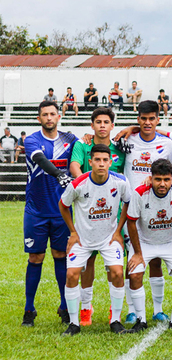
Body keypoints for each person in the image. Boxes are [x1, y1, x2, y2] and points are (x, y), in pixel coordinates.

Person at [58, 144, 131, 336]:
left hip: (109, 238)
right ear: (90, 162)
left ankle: (115, 320)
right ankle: (74, 323)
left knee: (117, 272)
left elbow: (128, 203)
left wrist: (118, 232)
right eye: (97, 160)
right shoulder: (78, 184)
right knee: (72, 275)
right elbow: (63, 205)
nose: (101, 164)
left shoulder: (121, 182)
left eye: (105, 160)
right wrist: (73, 232)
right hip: (82, 239)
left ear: (110, 162)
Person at [21, 101, 78, 327]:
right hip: (36, 210)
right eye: (44, 114)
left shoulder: (71, 140)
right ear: (39, 118)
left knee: (60, 256)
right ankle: (29, 309)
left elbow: (85, 152)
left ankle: (64, 307)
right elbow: (40, 160)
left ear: (59, 116)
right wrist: (59, 175)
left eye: (52, 114)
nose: (49, 118)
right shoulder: (32, 140)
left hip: (61, 211)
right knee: (35, 257)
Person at [69, 108, 126, 326]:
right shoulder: (82, 145)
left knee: (115, 267)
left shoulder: (120, 148)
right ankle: (86, 308)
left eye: (106, 122)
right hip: (87, 216)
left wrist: (129, 129)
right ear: (92, 125)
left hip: (113, 218)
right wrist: (85, 183)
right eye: (98, 122)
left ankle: (115, 311)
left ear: (112, 126)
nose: (102, 125)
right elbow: (75, 165)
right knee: (88, 262)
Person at [122, 101, 172, 324]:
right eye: (143, 118)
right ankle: (132, 309)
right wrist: (127, 130)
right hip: (131, 208)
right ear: (138, 118)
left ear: (157, 119)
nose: (147, 123)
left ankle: (158, 309)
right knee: (132, 259)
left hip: (158, 208)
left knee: (154, 260)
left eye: (151, 118)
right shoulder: (126, 141)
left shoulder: (168, 143)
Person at [126, 159, 172, 333]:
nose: (162, 184)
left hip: (170, 241)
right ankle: (141, 320)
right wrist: (138, 253)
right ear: (151, 178)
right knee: (134, 275)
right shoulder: (140, 193)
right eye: (158, 179)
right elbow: (131, 223)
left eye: (166, 179)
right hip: (144, 242)